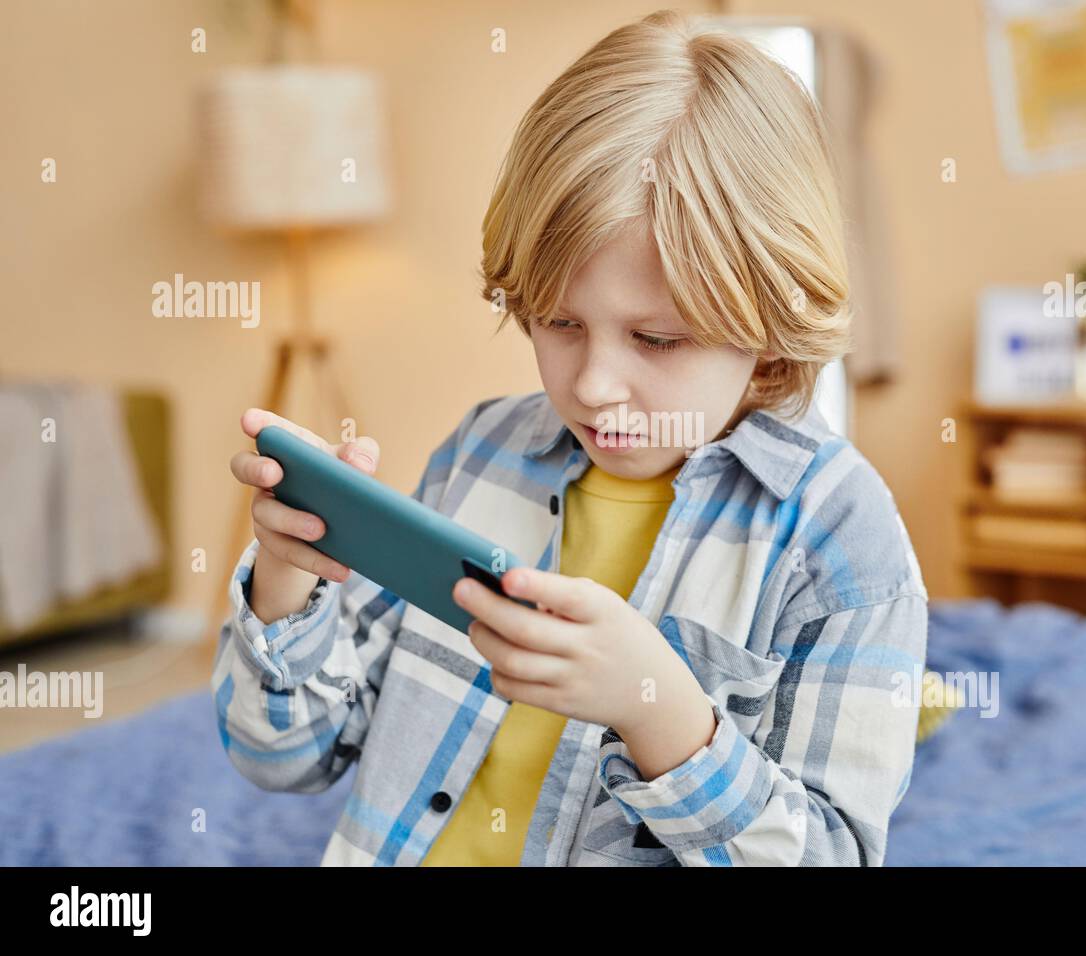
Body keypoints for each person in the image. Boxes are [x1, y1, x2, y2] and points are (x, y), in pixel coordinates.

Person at [213, 8, 927, 867]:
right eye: (557, 322)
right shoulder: (483, 453)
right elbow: (283, 756)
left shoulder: (841, 542)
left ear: (774, 317)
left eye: (657, 339)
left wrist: (657, 707)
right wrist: (290, 582)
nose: (591, 385)